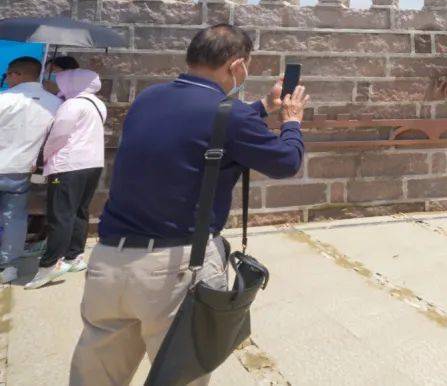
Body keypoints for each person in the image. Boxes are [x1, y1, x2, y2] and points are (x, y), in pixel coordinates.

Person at [69, 24, 309, 385]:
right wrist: (291, 122)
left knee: (96, 378)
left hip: (109, 263)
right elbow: (286, 162)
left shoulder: (148, 99)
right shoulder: (231, 114)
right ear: (237, 66)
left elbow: (202, 127)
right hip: (173, 269)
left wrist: (262, 107)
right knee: (180, 376)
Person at [25, 68, 106, 289]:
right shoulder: (97, 104)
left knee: (60, 214)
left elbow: (58, 135)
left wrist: (43, 157)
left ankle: (50, 264)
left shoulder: (72, 105)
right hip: (92, 164)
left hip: (68, 166)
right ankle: (74, 256)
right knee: (79, 210)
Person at [0, 57, 61, 284]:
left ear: (17, 74)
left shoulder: (4, 98)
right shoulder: (54, 103)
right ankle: (9, 267)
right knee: (15, 218)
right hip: (23, 168)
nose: (6, 79)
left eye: (7, 74)